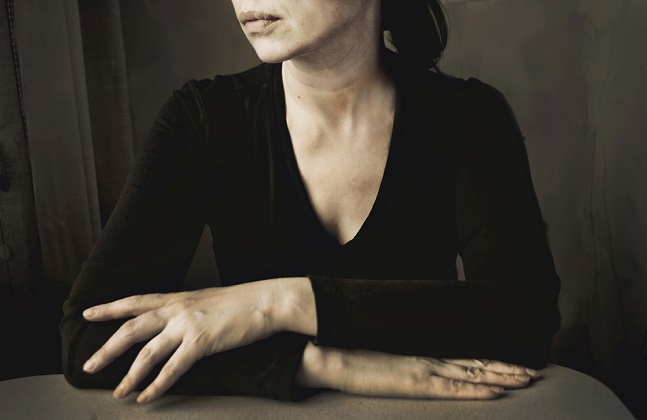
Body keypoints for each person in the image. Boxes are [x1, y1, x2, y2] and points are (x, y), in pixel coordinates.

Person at [61, 0, 561, 404]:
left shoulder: (467, 118)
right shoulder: (202, 122)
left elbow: (524, 319)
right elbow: (88, 339)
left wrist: (282, 303)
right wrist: (322, 364)